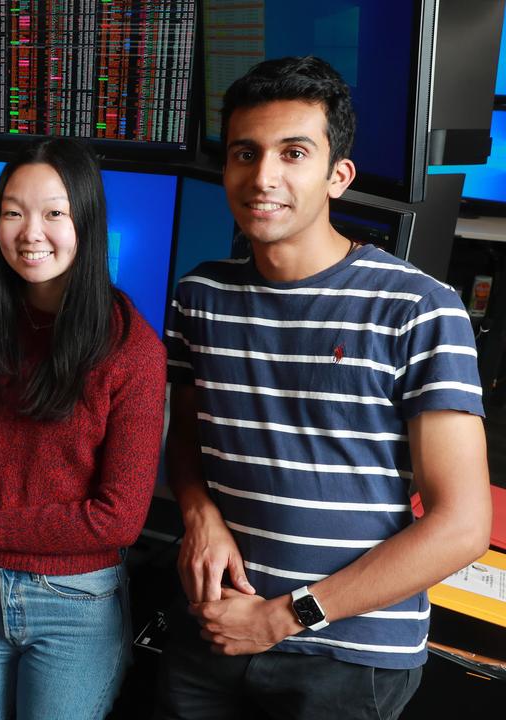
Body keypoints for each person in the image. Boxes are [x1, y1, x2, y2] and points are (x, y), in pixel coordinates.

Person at [156, 56, 492, 720]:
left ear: (338, 176)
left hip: (348, 657)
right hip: (216, 628)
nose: (263, 177)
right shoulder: (199, 297)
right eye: (246, 154)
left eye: (294, 153)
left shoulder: (420, 308)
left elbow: (463, 526)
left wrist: (284, 617)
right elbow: (190, 438)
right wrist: (198, 515)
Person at [0, 138, 168, 718]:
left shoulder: (131, 349)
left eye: (54, 213)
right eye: (13, 211)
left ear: (86, 221)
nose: (31, 233)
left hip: (73, 600)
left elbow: (120, 519)